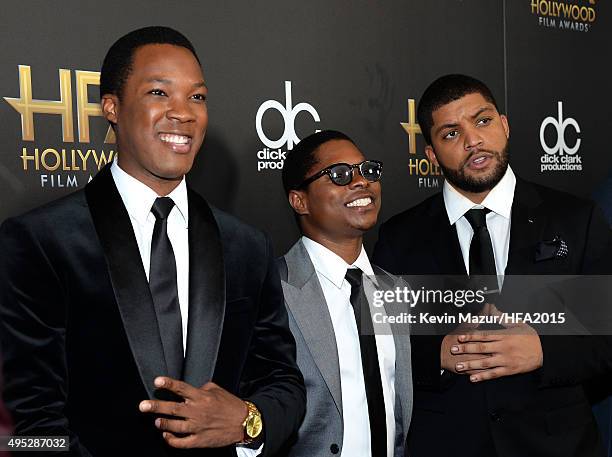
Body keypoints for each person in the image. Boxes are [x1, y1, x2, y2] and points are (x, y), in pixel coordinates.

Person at [0, 26, 305, 457]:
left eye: (196, 97)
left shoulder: (246, 246)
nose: (183, 112)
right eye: (159, 93)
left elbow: (283, 382)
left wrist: (246, 421)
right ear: (111, 106)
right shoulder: (41, 240)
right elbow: (30, 422)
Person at [374, 74, 612, 457]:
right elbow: (378, 348)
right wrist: (438, 354)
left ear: (504, 125)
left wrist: (543, 351)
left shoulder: (576, 219)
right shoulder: (399, 237)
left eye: (482, 121)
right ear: (431, 154)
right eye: (451, 133)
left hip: (558, 445)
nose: (472, 141)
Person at [279, 130, 412, 457]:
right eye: (339, 175)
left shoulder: (395, 290)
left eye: (368, 171)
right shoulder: (270, 289)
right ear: (300, 201)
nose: (361, 182)